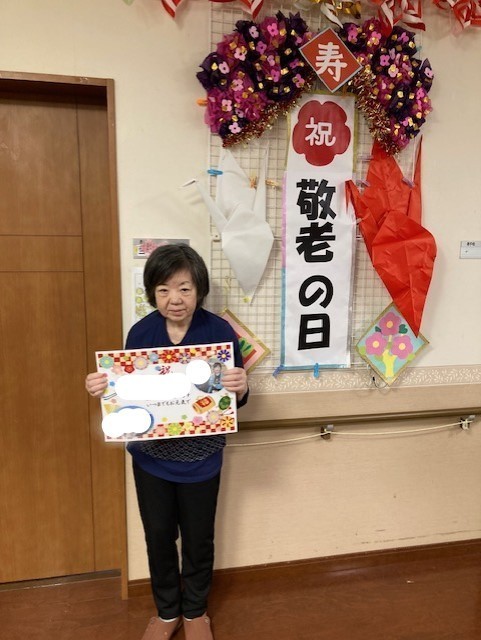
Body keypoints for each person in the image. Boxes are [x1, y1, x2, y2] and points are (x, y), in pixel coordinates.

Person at [85, 244, 248, 640]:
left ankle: (195, 612)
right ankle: (166, 611)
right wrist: (103, 388)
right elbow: (127, 392)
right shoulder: (141, 333)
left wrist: (241, 387)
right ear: (152, 293)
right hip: (151, 459)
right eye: (163, 290)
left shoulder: (219, 333)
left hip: (202, 458)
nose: (174, 299)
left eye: (184, 289)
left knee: (198, 538)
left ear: (199, 290)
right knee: (158, 536)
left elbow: (234, 398)